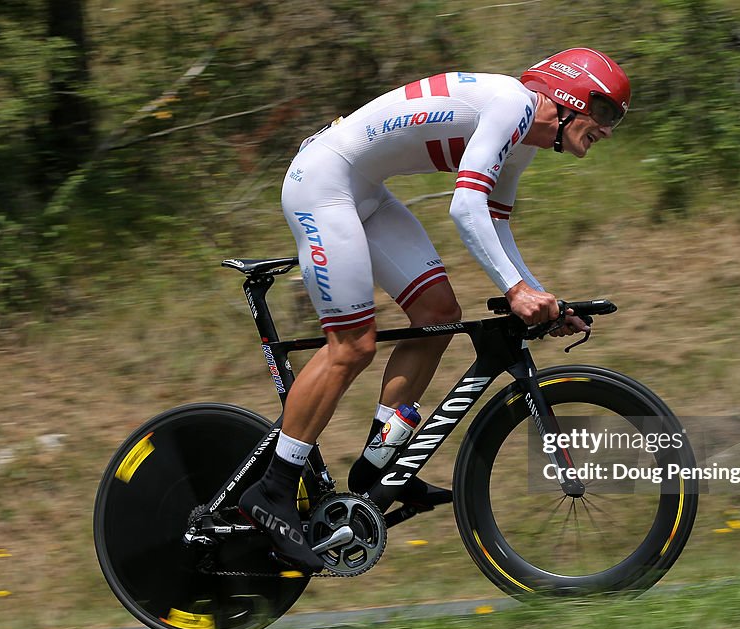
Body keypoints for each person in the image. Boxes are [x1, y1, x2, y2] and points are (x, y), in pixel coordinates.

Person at [239, 48, 631, 572]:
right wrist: (516, 291)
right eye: (605, 113)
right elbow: (463, 206)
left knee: (438, 314)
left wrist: (543, 298)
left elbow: (495, 223)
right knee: (352, 347)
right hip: (323, 184)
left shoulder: (524, 138)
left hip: (365, 192)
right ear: (568, 96)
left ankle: (379, 463)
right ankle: (274, 488)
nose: (607, 129)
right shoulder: (513, 106)